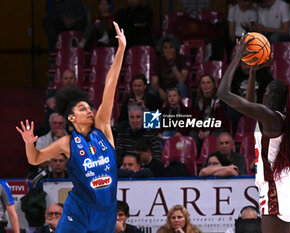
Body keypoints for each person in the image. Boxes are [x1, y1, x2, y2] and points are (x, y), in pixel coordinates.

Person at [16, 22, 126, 233]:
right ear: (71, 117)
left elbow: (110, 85)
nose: (89, 111)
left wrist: (120, 49)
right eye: (83, 109)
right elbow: (35, 159)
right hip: (79, 209)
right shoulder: (67, 142)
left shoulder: (102, 128)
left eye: (89, 107)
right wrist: (30, 143)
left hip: (106, 211)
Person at [217, 35, 290, 233]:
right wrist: (252, 71)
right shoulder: (277, 118)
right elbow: (250, 103)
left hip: (276, 189)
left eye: (267, 90)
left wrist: (237, 57)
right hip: (287, 187)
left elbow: (223, 93)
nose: (264, 92)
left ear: (273, 97)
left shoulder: (271, 118)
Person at [228, 61, 273, 134]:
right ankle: (234, 133)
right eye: (245, 64)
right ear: (240, 64)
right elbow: (231, 92)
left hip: (259, 105)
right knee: (230, 109)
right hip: (241, 106)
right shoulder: (236, 73)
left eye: (250, 65)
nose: (248, 67)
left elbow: (271, 90)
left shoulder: (264, 73)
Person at [190, 74, 231, 153]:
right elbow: (194, 119)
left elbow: (221, 120)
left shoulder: (220, 100)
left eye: (208, 82)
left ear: (214, 85)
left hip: (216, 128)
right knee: (192, 135)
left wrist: (209, 131)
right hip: (202, 129)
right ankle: (196, 159)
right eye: (203, 83)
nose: (205, 85)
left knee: (215, 136)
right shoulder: (198, 100)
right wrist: (199, 131)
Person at [151, 34, 191, 100]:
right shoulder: (158, 60)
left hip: (178, 89)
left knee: (181, 86)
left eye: (171, 47)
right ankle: (154, 110)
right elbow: (154, 82)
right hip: (164, 89)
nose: (168, 50)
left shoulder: (184, 59)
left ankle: (182, 108)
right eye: (165, 48)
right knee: (152, 91)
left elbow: (181, 80)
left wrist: (172, 63)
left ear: (175, 48)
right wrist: (160, 90)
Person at [28, 113, 68, 179]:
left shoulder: (73, 140)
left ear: (65, 125)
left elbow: (75, 160)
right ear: (50, 124)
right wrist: (60, 163)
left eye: (60, 123)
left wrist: (63, 139)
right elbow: (39, 161)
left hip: (69, 174)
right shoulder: (41, 140)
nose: (57, 126)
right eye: (54, 123)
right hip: (45, 174)